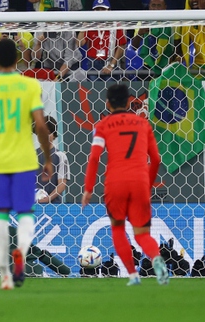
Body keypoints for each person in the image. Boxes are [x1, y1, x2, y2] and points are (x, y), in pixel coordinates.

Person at [0, 37, 52, 290]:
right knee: (25, 213)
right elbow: (41, 126)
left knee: (0, 216)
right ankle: (21, 254)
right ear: (17, 59)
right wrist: (47, 158)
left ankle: (4, 274)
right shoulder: (29, 85)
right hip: (24, 160)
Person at [81, 83, 168, 286]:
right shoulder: (142, 124)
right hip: (139, 181)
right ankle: (156, 258)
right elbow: (156, 159)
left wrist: (88, 189)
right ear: (128, 101)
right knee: (142, 234)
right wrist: (147, 184)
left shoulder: (102, 126)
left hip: (116, 183)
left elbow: (94, 158)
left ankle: (132, 275)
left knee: (118, 228)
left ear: (108, 104)